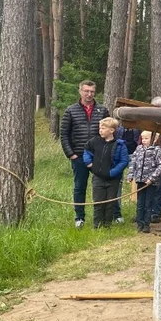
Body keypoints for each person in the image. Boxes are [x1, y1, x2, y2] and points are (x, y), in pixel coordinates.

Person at [60, 80, 110, 229]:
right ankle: (79, 218)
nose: (89, 94)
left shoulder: (102, 110)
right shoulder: (71, 110)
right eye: (86, 91)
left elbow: (108, 133)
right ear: (80, 91)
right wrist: (71, 154)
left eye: (92, 92)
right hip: (79, 156)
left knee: (102, 186)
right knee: (80, 187)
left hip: (98, 156)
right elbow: (64, 134)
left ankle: (103, 218)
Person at [82, 117, 129, 229]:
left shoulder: (120, 145)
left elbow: (124, 161)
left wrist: (112, 173)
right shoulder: (95, 141)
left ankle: (107, 225)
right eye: (100, 128)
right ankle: (97, 225)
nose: (100, 130)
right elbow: (86, 151)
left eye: (103, 128)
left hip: (113, 179)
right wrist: (89, 163)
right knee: (98, 202)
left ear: (112, 130)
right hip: (98, 177)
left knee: (110, 202)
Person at [127, 130, 161, 233]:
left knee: (148, 203)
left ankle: (146, 224)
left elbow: (160, 165)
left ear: (154, 139)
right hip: (140, 180)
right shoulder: (138, 149)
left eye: (146, 138)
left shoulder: (157, 150)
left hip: (150, 182)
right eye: (142, 138)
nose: (143, 140)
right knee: (140, 203)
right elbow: (133, 162)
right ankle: (139, 223)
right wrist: (130, 176)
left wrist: (152, 178)